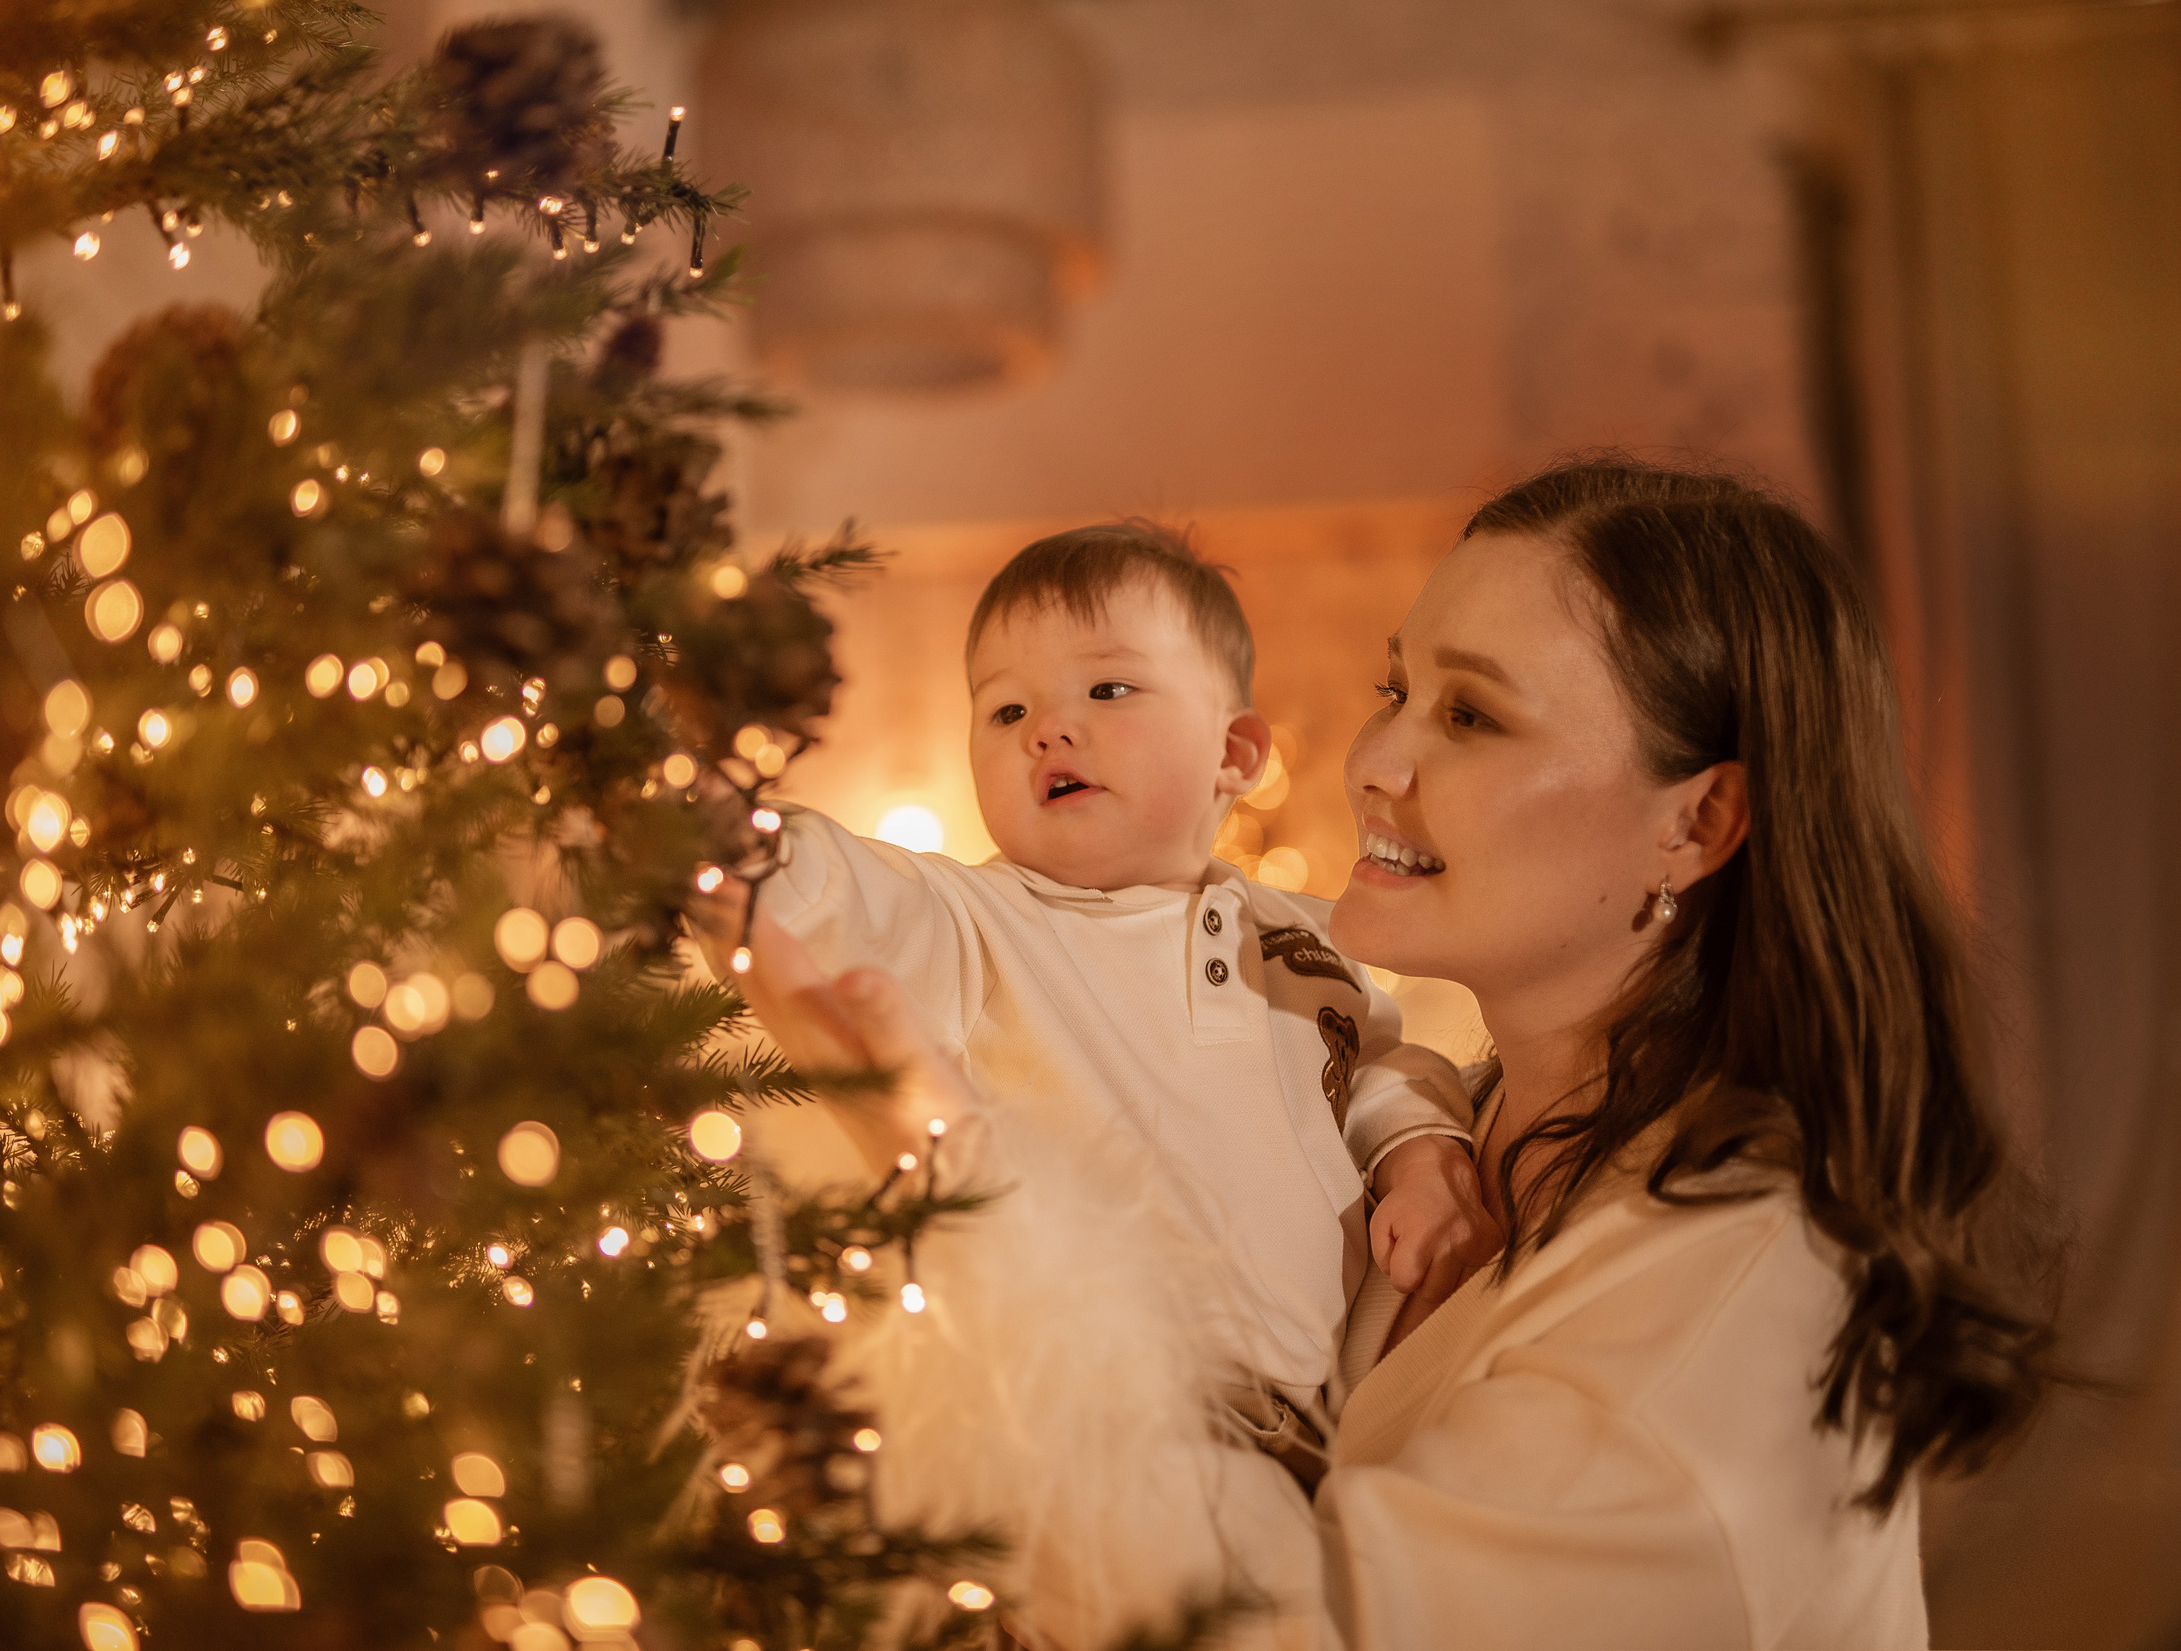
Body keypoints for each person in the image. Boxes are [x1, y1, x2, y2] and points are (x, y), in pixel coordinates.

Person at [725, 463, 2058, 1650]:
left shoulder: (1727, 1317)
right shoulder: (1438, 1126)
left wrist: (949, 1182)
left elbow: (1286, 1626)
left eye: (1472, 716)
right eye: (1396, 687)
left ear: (1698, 820)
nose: (1376, 761)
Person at [740, 524, 1490, 1451]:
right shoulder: (974, 922)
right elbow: (843, 892)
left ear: (1235, 754)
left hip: (1317, 1420)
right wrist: (729, 823)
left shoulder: (1309, 931)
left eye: (1108, 688)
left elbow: (1380, 1062)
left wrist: (1418, 1156)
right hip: (1104, 1422)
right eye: (1006, 711)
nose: (1048, 727)